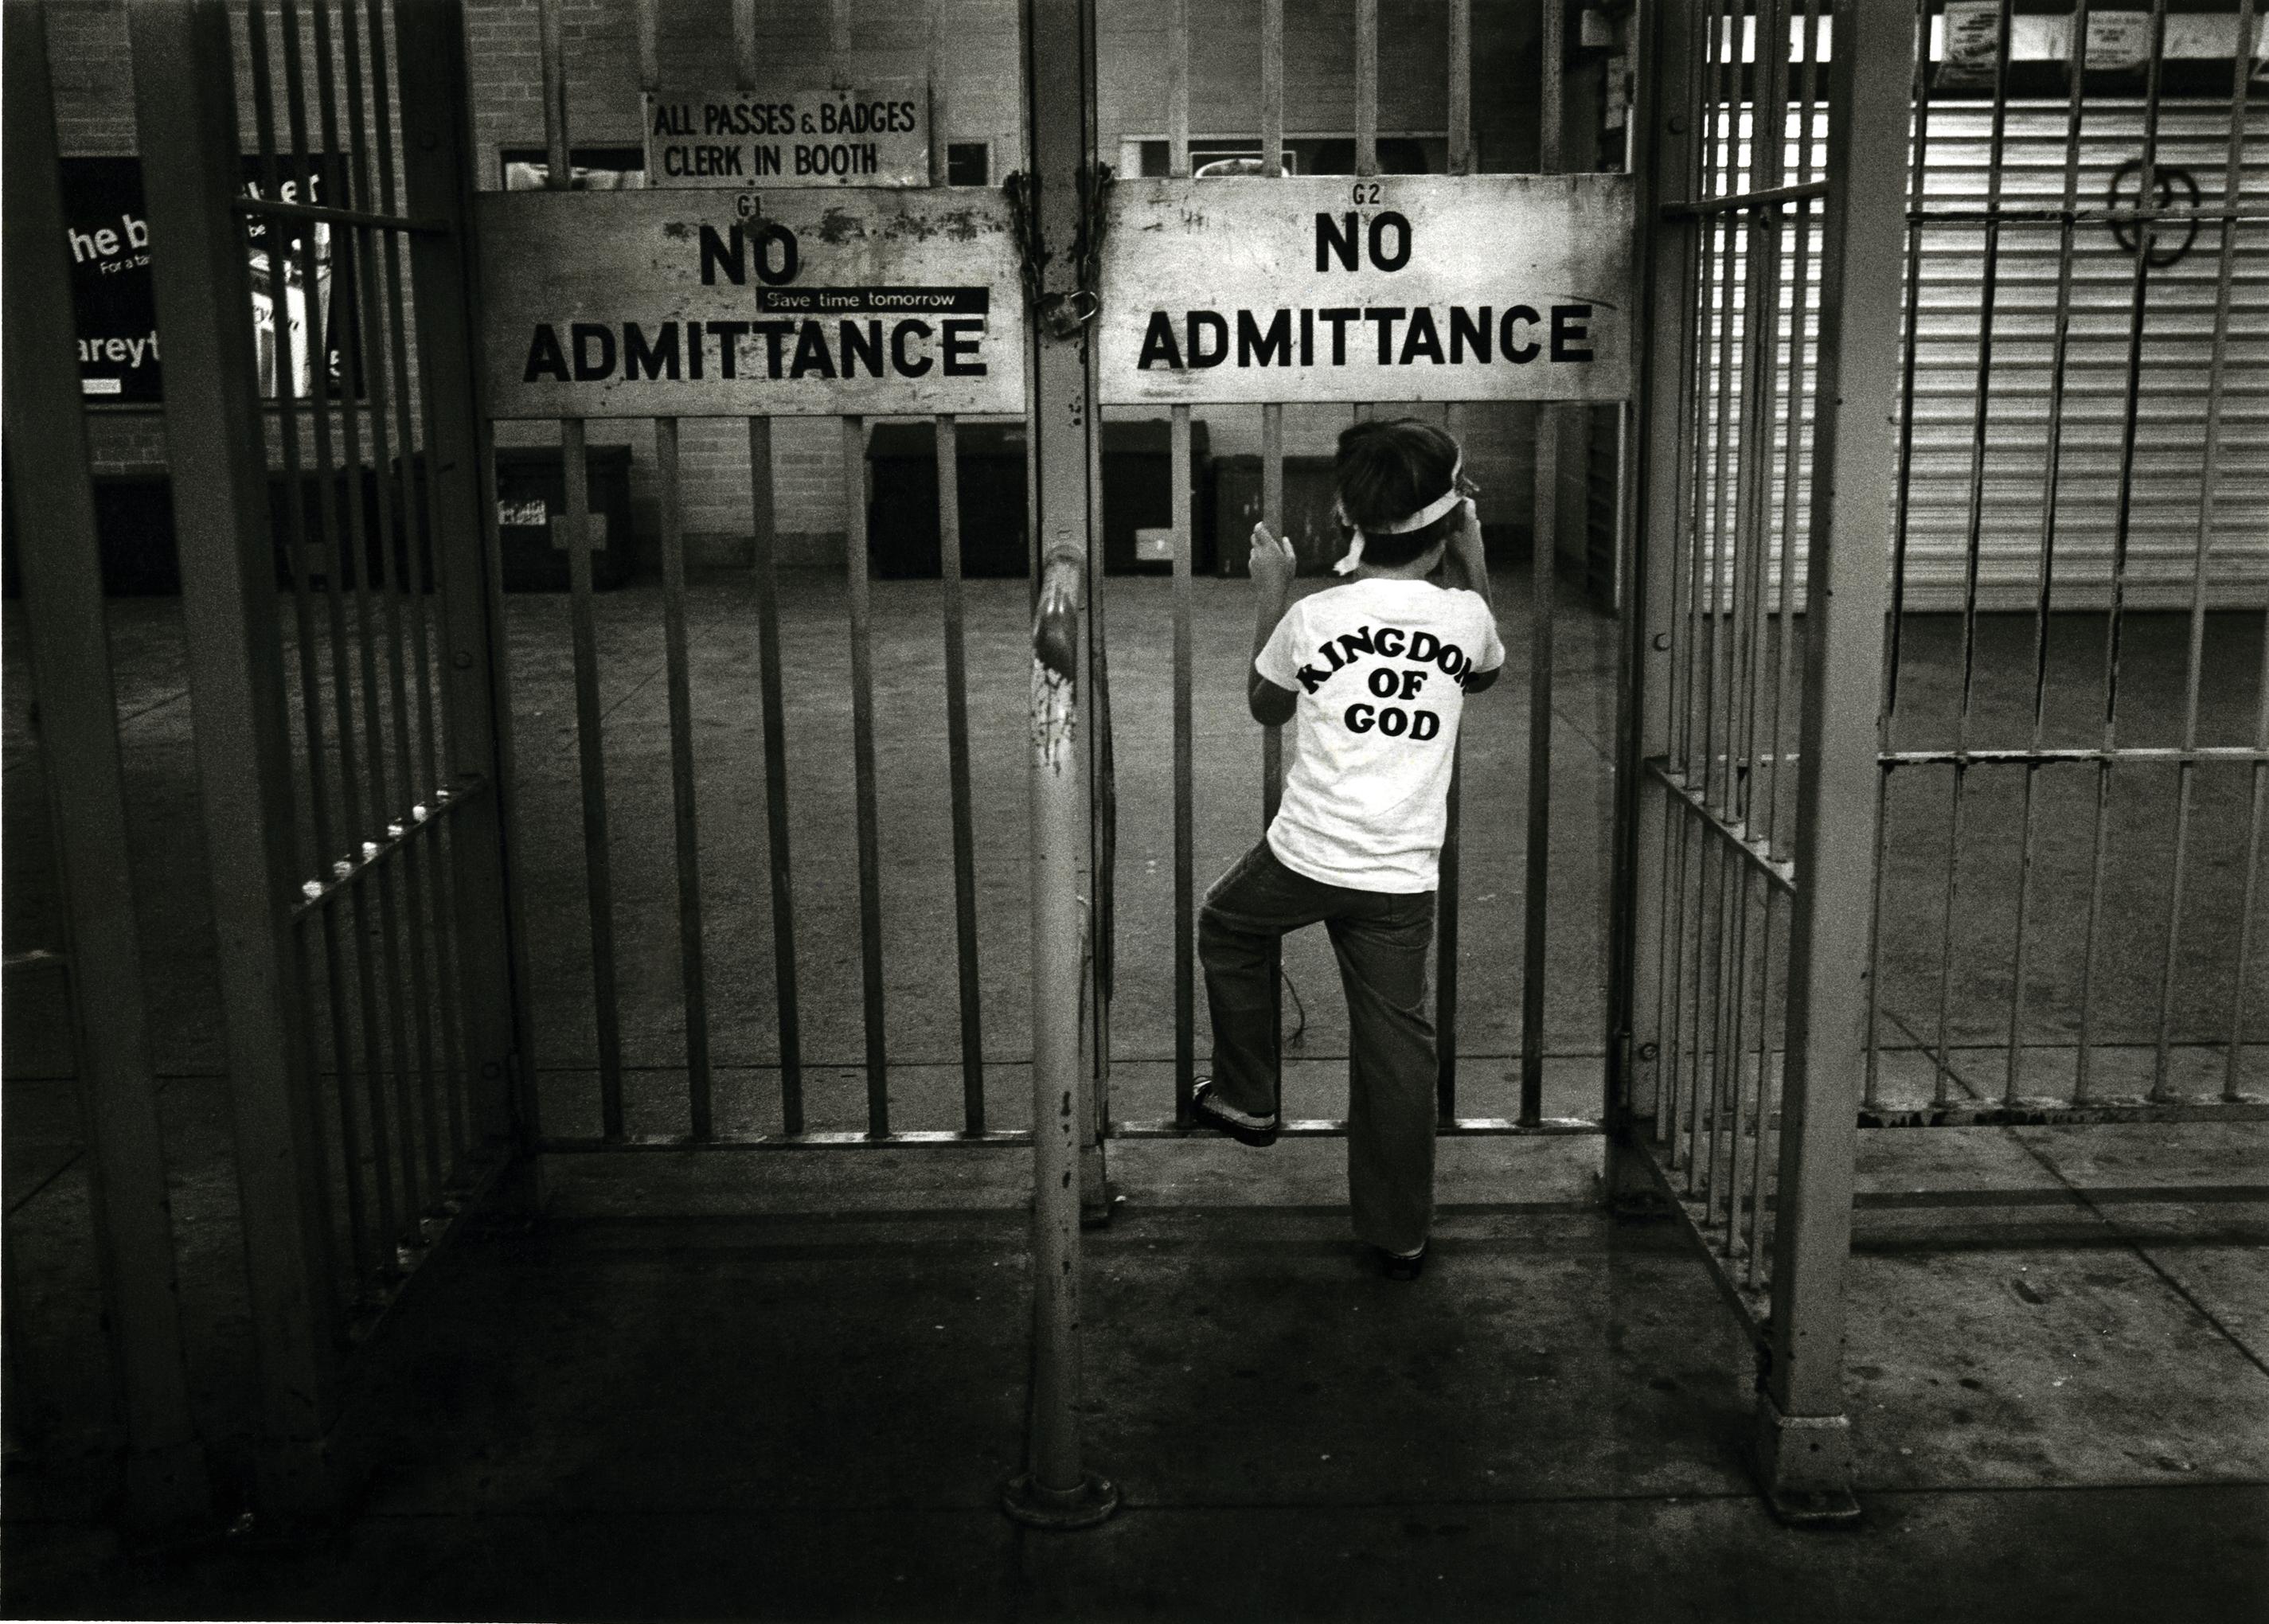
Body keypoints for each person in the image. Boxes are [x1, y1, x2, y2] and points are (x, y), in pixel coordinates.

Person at [1191, 417, 1505, 1282]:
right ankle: (1399, 1230)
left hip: (1305, 856)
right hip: (1402, 874)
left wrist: (1273, 586)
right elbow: (1484, 672)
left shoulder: (1315, 616)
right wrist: (1473, 558)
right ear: (1450, 522)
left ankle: (1250, 1098)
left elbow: (1266, 705)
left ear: (1346, 518)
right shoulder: (1467, 618)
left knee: (1227, 925)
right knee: (1395, 1042)